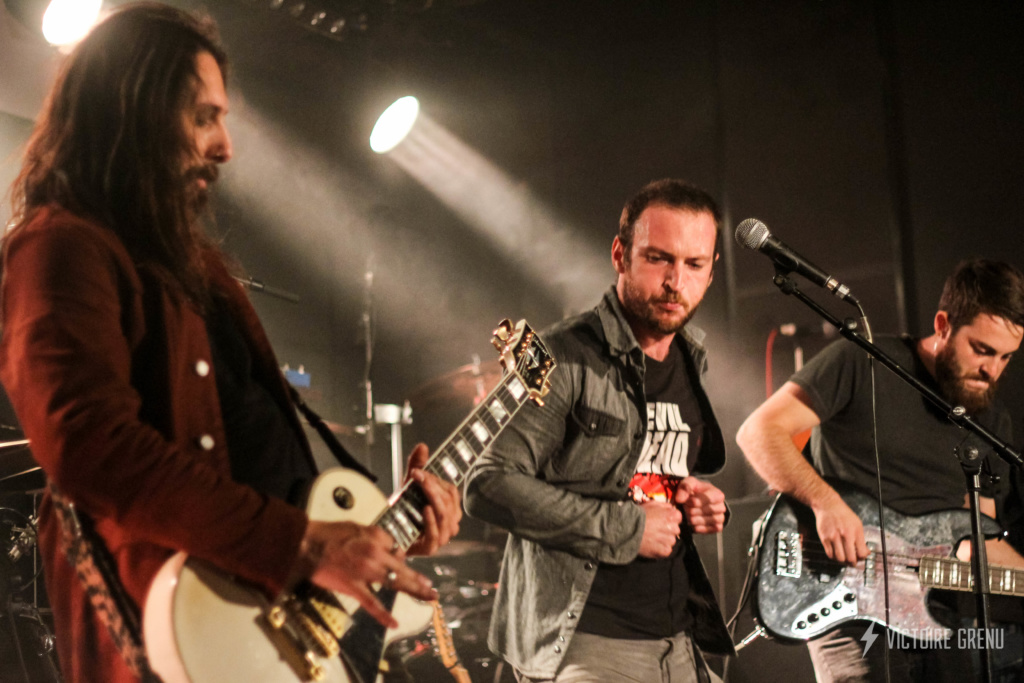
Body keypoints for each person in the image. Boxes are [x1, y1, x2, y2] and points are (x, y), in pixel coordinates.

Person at [0, 4, 460, 682]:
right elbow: (91, 445)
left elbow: (251, 468)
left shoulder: (192, 268)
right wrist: (303, 544)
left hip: (260, 622)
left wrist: (377, 536)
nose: (226, 146)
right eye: (203, 117)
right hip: (167, 633)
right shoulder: (61, 246)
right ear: (133, 111)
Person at [465, 179, 735, 683]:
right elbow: (487, 483)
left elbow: (636, 471)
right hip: (583, 641)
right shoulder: (560, 355)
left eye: (694, 264)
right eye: (658, 259)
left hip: (678, 637)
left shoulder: (690, 359)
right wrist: (627, 529)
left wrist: (689, 497)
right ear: (620, 255)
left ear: (711, 270)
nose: (676, 281)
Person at [736, 259, 1024, 682]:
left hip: (936, 614)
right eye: (981, 350)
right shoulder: (863, 361)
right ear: (943, 325)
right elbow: (759, 432)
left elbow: (978, 543)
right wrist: (825, 503)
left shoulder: (990, 421)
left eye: (1005, 357)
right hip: (845, 598)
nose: (992, 370)